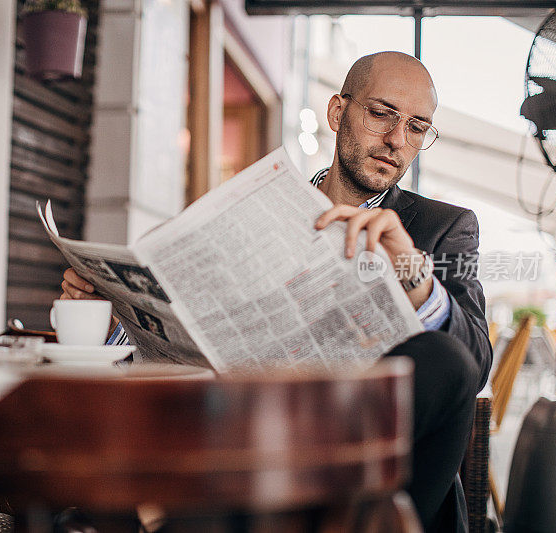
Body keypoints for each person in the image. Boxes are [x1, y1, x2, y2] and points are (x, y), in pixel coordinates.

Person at [60, 51, 492, 532]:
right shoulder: (250, 212)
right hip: (245, 452)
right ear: (336, 113)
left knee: (445, 358)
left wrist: (412, 273)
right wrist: (109, 314)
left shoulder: (440, 227)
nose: (396, 140)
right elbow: (178, 346)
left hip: (368, 486)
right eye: (381, 114)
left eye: (416, 127)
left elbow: (472, 368)